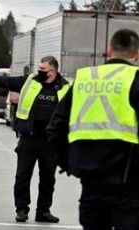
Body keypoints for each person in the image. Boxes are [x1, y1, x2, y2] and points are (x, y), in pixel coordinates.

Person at [47, 29, 139, 229]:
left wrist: (70, 163)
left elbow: (55, 128)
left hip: (90, 180)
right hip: (128, 182)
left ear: (109, 51)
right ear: (137, 55)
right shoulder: (136, 79)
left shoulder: (84, 78)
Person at [0, 56, 71, 223]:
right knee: (22, 176)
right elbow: (7, 81)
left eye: (43, 70)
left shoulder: (65, 88)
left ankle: (43, 211)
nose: (39, 72)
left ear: (52, 72)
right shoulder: (30, 81)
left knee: (48, 179)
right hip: (29, 138)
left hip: (50, 141)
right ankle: (22, 209)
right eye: (39, 68)